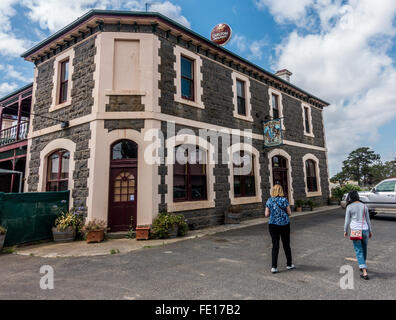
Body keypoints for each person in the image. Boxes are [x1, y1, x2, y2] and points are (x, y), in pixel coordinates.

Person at [344, 190, 373, 280]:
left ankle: (364, 272)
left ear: (350, 197)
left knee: (358, 250)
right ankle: (362, 265)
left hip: (356, 230)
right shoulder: (364, 206)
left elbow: (347, 220)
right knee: (364, 248)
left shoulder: (349, 207)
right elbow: (368, 220)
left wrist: (345, 230)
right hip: (365, 230)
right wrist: (370, 231)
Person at [265, 184, 294, 273]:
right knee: (286, 245)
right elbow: (289, 213)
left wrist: (273, 213)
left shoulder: (269, 200)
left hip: (273, 225)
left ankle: (274, 267)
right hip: (284, 225)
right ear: (281, 191)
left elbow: (266, 214)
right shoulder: (284, 200)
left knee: (275, 245)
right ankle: (289, 264)